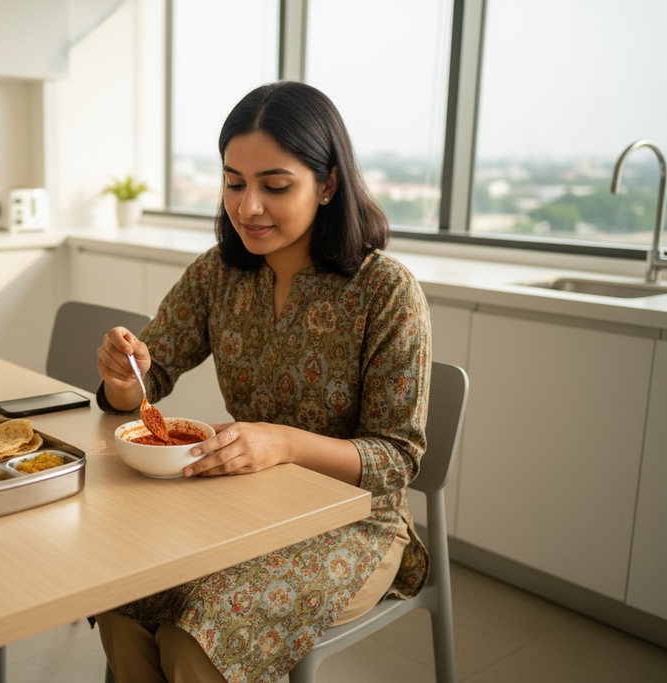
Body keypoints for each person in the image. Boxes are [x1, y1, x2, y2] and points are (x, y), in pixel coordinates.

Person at [93, 81, 432, 683]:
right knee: (123, 604)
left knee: (193, 638)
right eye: (233, 183)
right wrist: (125, 378)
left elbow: (397, 458)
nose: (248, 207)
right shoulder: (218, 275)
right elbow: (152, 376)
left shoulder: (385, 292)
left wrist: (285, 443)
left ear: (328, 184)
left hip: (356, 524)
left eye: (275, 186)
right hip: (242, 509)